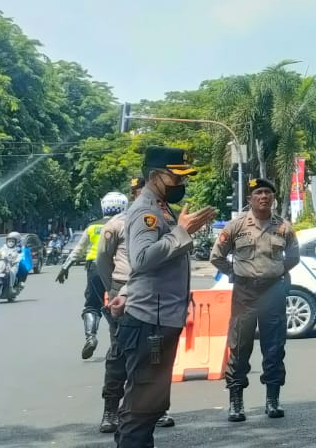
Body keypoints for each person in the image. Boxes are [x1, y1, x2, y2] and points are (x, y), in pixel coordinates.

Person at [108, 146, 214, 448]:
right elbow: (141, 259)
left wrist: (127, 291)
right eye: (176, 178)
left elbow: (146, 269)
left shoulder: (161, 207)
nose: (181, 184)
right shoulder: (146, 211)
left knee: (151, 404)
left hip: (159, 317)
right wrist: (182, 232)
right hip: (149, 323)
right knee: (142, 404)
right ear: (155, 177)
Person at [211, 177, 300, 422]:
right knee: (239, 347)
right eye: (259, 193)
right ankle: (236, 402)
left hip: (273, 292)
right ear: (250, 198)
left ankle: (272, 400)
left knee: (274, 348)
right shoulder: (236, 226)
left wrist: (279, 271)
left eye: (268, 193)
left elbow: (293, 255)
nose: (264, 197)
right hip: (245, 293)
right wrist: (234, 274)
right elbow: (217, 256)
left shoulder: (283, 227)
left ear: (273, 198)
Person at [94, 177, 175, 434]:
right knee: (120, 353)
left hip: (155, 293)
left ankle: (155, 407)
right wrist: (113, 289)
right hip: (123, 289)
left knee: (155, 353)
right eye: (140, 192)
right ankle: (111, 409)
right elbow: (102, 260)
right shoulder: (117, 223)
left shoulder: (165, 220)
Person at [59, 191, 129, 359]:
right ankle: (118, 341)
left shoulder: (93, 226)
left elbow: (79, 249)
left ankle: (91, 337)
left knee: (92, 305)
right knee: (120, 304)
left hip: (95, 268)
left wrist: (65, 267)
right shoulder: (127, 224)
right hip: (120, 270)